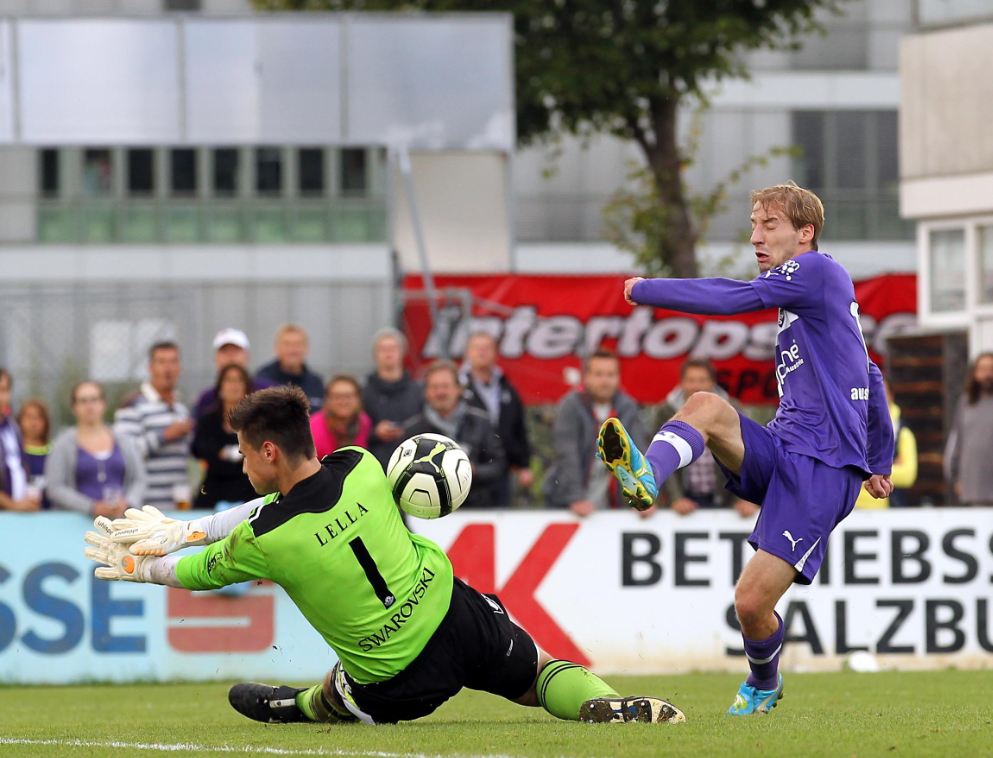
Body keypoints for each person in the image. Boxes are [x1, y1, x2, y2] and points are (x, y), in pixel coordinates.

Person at [83, 386, 685, 727]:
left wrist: (145, 565)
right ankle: (605, 701)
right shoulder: (362, 465)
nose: (240, 464)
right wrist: (186, 529)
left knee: (333, 698)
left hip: (396, 681)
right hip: (455, 614)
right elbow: (273, 503)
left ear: (268, 451)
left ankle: (294, 706)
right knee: (537, 674)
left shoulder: (266, 540)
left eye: (243, 452)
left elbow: (195, 572)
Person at [596, 182, 894, 715]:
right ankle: (647, 476)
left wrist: (647, 289)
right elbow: (870, 374)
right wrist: (880, 459)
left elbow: (733, 297)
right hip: (784, 445)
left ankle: (763, 681)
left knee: (751, 605)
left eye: (769, 225)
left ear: (805, 233)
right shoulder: (813, 299)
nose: (756, 236)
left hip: (824, 468)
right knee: (705, 405)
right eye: (754, 225)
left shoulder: (817, 271)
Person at [542, 349, 648, 518]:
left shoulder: (628, 407)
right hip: (567, 504)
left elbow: (639, 453)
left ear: (618, 377)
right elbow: (567, 454)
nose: (605, 381)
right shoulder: (570, 406)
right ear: (586, 377)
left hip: (614, 505)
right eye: (598, 374)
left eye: (610, 375)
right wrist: (576, 498)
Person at [657, 359, 758, 519]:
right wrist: (675, 498)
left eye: (702, 380)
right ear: (682, 383)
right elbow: (663, 457)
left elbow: (747, 455)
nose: (696, 386)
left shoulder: (732, 409)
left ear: (712, 382)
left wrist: (745, 498)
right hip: (683, 501)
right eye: (691, 380)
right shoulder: (666, 411)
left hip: (727, 499)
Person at [402, 361, 505, 508]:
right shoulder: (413, 431)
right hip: (428, 510)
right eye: (434, 387)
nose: (440, 392)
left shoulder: (481, 422)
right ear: (426, 392)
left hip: (476, 509)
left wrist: (473, 471)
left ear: (459, 389)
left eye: (445, 386)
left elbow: (499, 465)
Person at [46, 381, 146, 518]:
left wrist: (128, 503)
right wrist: (91, 507)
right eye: (83, 401)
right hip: (77, 523)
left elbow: (139, 479)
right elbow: (55, 487)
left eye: (94, 399)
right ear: (74, 407)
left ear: (103, 403)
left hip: (122, 522)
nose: (89, 406)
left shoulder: (123, 440)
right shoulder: (63, 444)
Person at [114, 341, 193, 509]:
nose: (168, 368)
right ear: (150, 368)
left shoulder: (181, 408)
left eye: (173, 361)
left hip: (178, 507)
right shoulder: (132, 405)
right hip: (145, 507)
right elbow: (122, 453)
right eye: (162, 362)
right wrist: (164, 436)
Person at [459, 331, 532, 506]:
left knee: (501, 513)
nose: (482, 352)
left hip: (500, 468)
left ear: (496, 353)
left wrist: (523, 465)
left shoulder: (506, 387)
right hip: (466, 469)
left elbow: (518, 428)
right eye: (477, 348)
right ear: (467, 353)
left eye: (487, 348)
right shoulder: (457, 387)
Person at [191, 364, 257, 510]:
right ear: (220, 387)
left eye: (239, 380)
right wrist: (240, 454)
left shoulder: (257, 423)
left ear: (247, 387)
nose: (234, 385)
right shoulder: (207, 421)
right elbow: (201, 452)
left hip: (249, 491)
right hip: (213, 491)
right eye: (229, 380)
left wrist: (223, 453)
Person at [362, 328, 423, 468]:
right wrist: (374, 433)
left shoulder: (418, 391)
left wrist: (406, 431)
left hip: (413, 465)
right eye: (383, 349)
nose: (388, 353)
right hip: (375, 465)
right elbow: (354, 430)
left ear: (402, 352)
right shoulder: (364, 393)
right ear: (375, 355)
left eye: (393, 348)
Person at [856, 379, 917, 509]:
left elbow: (908, 475)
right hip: (850, 508)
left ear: (891, 396)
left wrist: (859, 471)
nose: (875, 396)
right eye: (870, 392)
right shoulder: (852, 425)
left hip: (886, 511)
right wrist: (884, 468)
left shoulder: (902, 432)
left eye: (881, 392)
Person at [944, 352, 993, 506]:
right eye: (983, 369)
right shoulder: (965, 403)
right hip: (973, 487)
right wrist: (954, 477)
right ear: (975, 373)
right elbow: (955, 441)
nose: (987, 374)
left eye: (991, 369)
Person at [193, 328, 273, 421]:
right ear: (215, 358)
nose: (230, 356)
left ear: (247, 356)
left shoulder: (267, 392)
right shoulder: (206, 400)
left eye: (236, 351)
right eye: (224, 351)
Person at [255, 324, 324, 413]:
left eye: (297, 344)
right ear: (276, 348)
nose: (292, 350)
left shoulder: (316, 383)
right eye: (287, 344)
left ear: (306, 348)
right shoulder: (262, 380)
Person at [0, 368, 39, 512]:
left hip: (16, 514)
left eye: (3, 390)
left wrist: (28, 497)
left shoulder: (12, 426)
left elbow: (19, 465)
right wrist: (12, 505)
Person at [310, 375, 372, 459]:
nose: (343, 402)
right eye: (337, 397)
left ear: (358, 399)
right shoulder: (312, 427)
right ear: (327, 399)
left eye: (348, 396)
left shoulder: (364, 422)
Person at [17, 399, 52, 509]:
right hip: (17, 512)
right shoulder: (13, 451)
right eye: (29, 417)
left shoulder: (54, 451)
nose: (33, 423)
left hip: (51, 513)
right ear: (20, 420)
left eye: (38, 417)